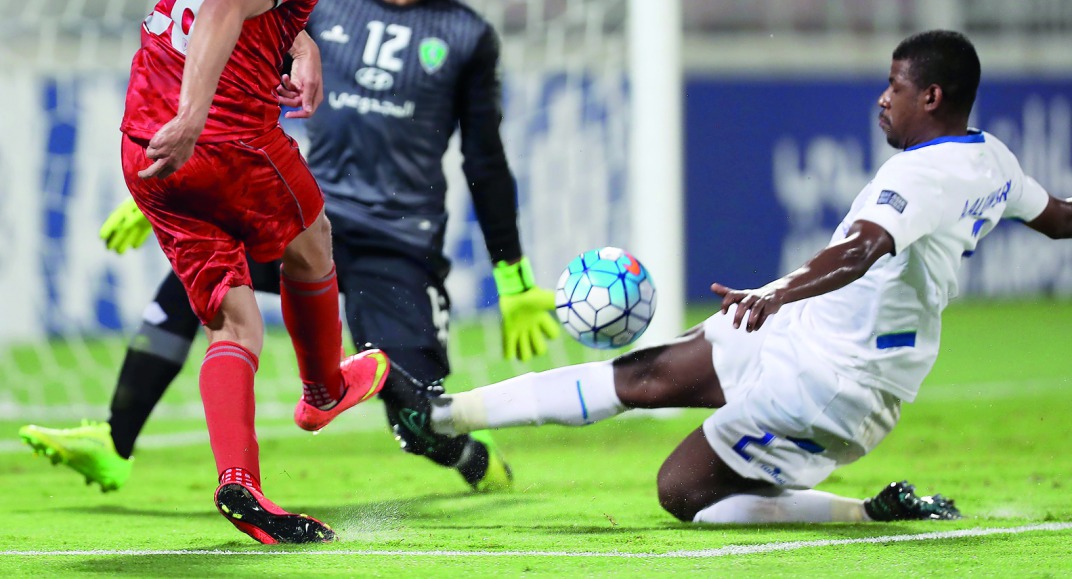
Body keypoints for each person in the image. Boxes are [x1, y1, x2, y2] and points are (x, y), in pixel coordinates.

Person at [21, 0, 558, 502]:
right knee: (200, 289)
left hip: (395, 241)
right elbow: (237, 47)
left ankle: (464, 452)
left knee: (418, 424)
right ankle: (115, 441)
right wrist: (175, 179)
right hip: (307, 212)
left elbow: (485, 160)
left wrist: (513, 275)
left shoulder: (467, 35)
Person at [400, 30, 1072, 524]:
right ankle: (441, 413)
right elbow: (1060, 219)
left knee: (682, 492)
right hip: (807, 334)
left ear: (929, 94)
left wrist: (774, 291)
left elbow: (860, 250)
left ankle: (869, 513)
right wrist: (781, 305)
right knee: (645, 375)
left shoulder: (919, 174)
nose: (882, 97)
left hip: (839, 384)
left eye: (894, 85)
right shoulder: (994, 162)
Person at [20, 0, 409, 545]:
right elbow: (223, 4)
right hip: (221, 140)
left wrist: (299, 42)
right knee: (313, 236)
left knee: (235, 316)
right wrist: (197, 111)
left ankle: (242, 488)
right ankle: (324, 389)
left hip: (145, 144)